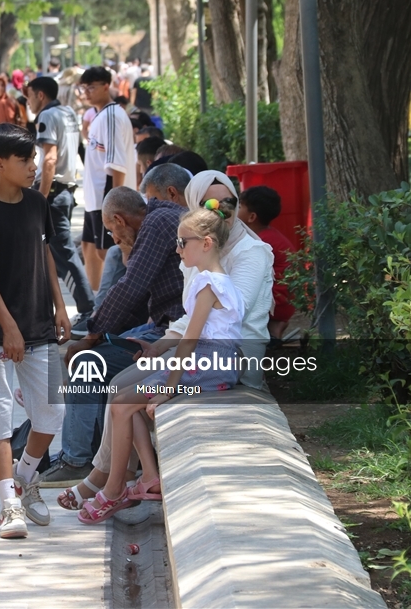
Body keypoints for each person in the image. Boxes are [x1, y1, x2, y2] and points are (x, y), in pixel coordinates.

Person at [57, 169, 273, 510]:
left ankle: (104, 478)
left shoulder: (244, 253)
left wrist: (169, 373)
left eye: (228, 202)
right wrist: (162, 344)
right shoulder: (198, 253)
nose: (219, 211)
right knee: (121, 389)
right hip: (197, 353)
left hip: (222, 361)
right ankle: (122, 478)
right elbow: (193, 320)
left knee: (116, 386)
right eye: (207, 204)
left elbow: (224, 321)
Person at [78, 201, 246, 523]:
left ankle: (115, 490)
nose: (177, 249)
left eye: (183, 242)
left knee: (122, 405)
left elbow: (192, 339)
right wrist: (159, 355)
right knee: (128, 403)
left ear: (206, 244)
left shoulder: (209, 284)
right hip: (213, 361)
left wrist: (169, 387)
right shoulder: (215, 279)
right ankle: (148, 477)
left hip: (208, 362)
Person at [0, 123, 72, 539]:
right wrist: (8, 327)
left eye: (33, 158)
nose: (33, 166)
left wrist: (60, 307)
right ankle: (9, 504)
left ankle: (24, 479)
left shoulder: (36, 203)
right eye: (25, 160)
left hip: (41, 324)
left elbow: (45, 254)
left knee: (53, 411)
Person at [46, 170, 188, 492]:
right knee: (93, 352)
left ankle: (76, 460)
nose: (115, 238)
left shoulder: (155, 223)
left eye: (112, 231)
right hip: (164, 325)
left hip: (176, 333)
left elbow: (130, 287)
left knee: (86, 365)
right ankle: (88, 457)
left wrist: (91, 336)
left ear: (120, 221)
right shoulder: (160, 218)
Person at [24, 75, 94, 327]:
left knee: (63, 253)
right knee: (52, 253)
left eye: (29, 96)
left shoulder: (46, 116)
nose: (28, 102)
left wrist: (40, 198)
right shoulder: (68, 112)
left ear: (40, 95)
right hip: (66, 189)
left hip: (52, 193)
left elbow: (50, 159)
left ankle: (88, 309)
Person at [79, 66, 136, 292]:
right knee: (89, 247)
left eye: (91, 87)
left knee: (109, 251)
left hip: (107, 194)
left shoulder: (111, 116)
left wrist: (114, 206)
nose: (87, 92)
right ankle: (95, 302)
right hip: (94, 197)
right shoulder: (99, 116)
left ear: (106, 86)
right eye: (84, 88)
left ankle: (117, 302)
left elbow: (116, 164)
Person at [238, 186, 295, 343]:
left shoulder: (260, 242)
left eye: (240, 206)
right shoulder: (268, 236)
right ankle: (274, 329)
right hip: (285, 302)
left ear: (251, 217)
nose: (235, 209)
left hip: (277, 303)